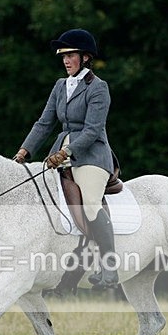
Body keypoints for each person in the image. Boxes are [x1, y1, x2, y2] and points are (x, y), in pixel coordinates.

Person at [14, 28, 118, 289]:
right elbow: (44, 122)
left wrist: (65, 153)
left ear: (85, 58)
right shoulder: (60, 86)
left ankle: (109, 267)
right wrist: (24, 151)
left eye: (70, 55)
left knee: (91, 203)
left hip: (92, 155)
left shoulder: (98, 88)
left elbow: (93, 129)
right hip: (60, 153)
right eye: (63, 56)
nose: (66, 60)